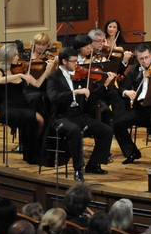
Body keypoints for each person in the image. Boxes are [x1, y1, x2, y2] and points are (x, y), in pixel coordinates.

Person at [46, 47, 115, 181]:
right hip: (61, 117)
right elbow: (54, 97)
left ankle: (93, 164)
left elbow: (91, 98)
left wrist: (105, 85)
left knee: (106, 130)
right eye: (73, 62)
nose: (76, 65)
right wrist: (74, 93)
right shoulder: (54, 78)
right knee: (75, 130)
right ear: (64, 61)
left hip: (77, 115)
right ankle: (78, 169)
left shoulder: (78, 77)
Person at [113, 43, 151, 166]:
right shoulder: (134, 70)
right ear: (137, 58)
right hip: (139, 108)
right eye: (141, 58)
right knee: (117, 124)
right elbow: (123, 87)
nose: (144, 61)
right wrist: (127, 92)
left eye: (147, 57)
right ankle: (132, 152)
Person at [0, 43, 47, 164]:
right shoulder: (0, 71)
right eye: (15, 55)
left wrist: (48, 69)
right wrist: (19, 75)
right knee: (37, 119)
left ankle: (30, 148)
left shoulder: (18, 69)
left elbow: (37, 83)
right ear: (8, 56)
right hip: (9, 108)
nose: (18, 58)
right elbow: (0, 80)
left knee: (39, 120)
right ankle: (31, 150)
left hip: (22, 105)